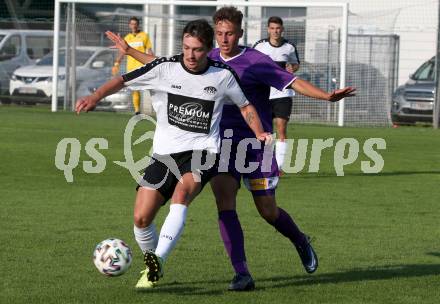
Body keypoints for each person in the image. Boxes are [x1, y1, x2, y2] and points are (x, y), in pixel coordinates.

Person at [106, 7, 355, 291]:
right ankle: (242, 273)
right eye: (220, 33)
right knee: (225, 201)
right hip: (220, 145)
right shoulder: (205, 56)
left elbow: (293, 82)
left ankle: (299, 239)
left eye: (230, 33)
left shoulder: (256, 61)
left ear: (240, 33)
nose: (225, 39)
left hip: (255, 144)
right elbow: (163, 64)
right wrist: (129, 51)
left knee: (268, 211)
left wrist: (326, 96)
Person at [77, 19, 272, 290]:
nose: (191, 55)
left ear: (208, 49)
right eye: (187, 48)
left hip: (203, 152)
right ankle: (153, 262)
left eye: (198, 50)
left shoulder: (222, 75)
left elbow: (246, 106)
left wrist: (259, 132)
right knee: (141, 219)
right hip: (164, 155)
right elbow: (122, 80)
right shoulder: (164, 69)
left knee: (182, 195)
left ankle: (157, 261)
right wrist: (95, 97)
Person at [253, 16, 300, 170]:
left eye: (278, 28)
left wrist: (293, 68)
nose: (275, 31)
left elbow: (295, 64)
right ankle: (265, 163)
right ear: (268, 29)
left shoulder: (289, 47)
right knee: (265, 131)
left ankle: (278, 167)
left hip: (283, 94)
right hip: (263, 94)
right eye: (272, 28)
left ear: (282, 29)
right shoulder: (259, 46)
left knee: (281, 128)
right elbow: (250, 64)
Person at [112, 17, 154, 115]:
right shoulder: (127, 38)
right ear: (129, 25)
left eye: (135, 24)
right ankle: (137, 111)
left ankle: (156, 107)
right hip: (131, 67)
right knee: (135, 89)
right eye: (132, 24)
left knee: (151, 86)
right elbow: (122, 52)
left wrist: (154, 62)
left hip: (142, 66)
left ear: (138, 25)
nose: (134, 26)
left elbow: (149, 50)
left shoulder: (144, 36)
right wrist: (116, 63)